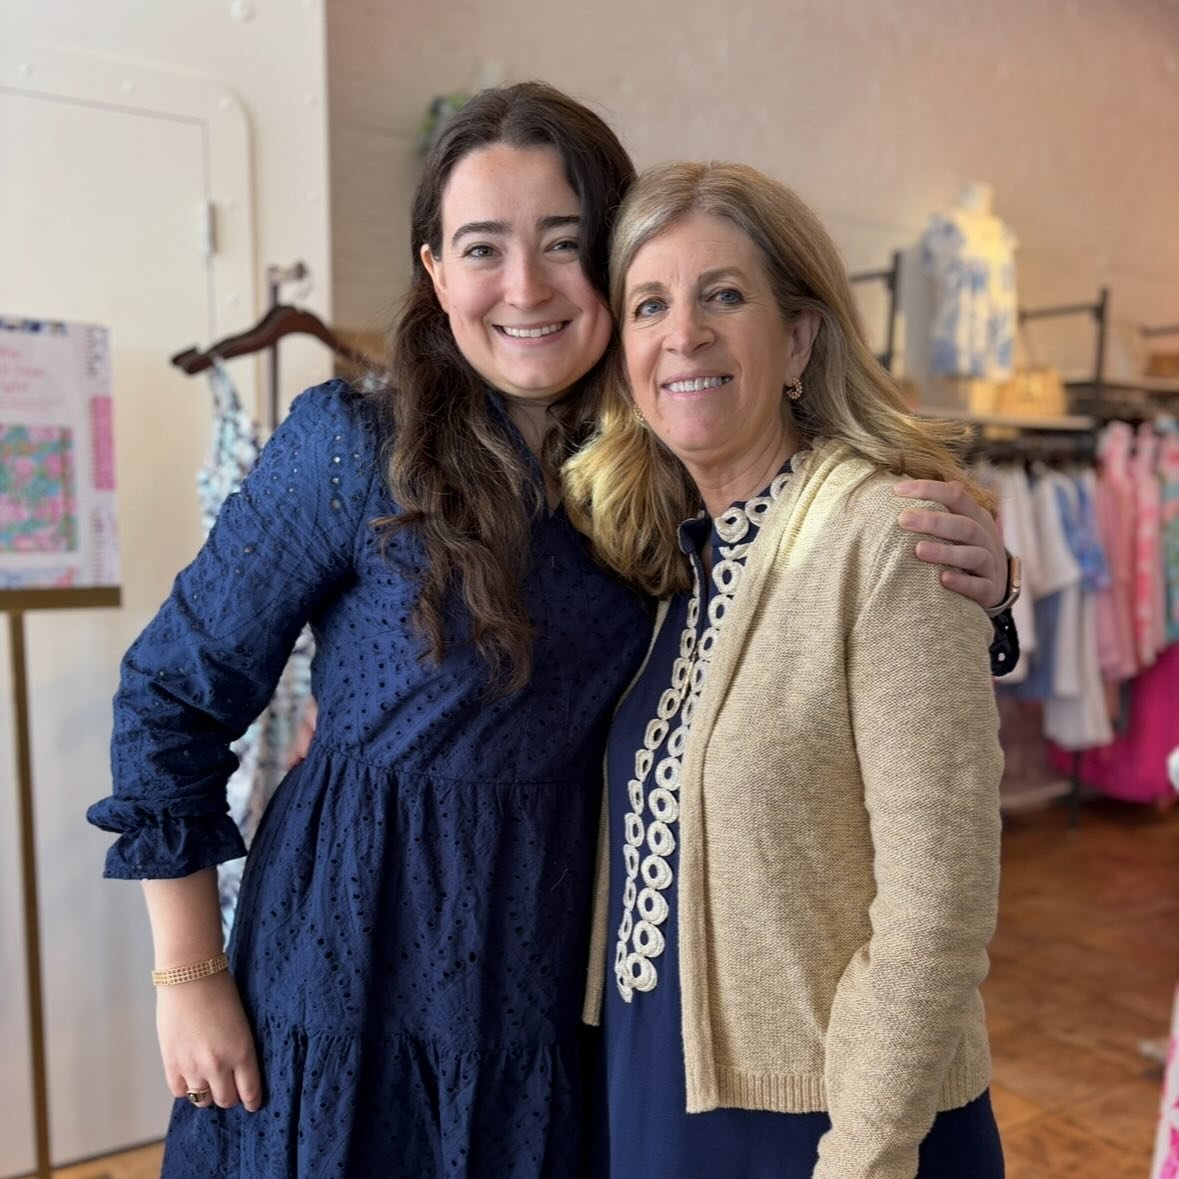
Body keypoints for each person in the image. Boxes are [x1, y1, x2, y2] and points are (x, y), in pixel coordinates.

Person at [87, 86, 1012, 1178]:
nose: (525, 286)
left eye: (564, 244)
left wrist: (990, 584)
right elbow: (169, 698)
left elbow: (806, 587)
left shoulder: (662, 469)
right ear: (436, 272)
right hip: (349, 972)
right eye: (483, 247)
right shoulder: (352, 447)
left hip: (553, 996)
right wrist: (189, 972)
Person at [564, 161, 1006, 1179]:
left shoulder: (888, 537)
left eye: (723, 295)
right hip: (659, 1087)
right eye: (649, 304)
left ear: (800, 338)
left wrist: (863, 1154)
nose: (684, 334)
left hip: (831, 1124)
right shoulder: (665, 560)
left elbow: (937, 912)